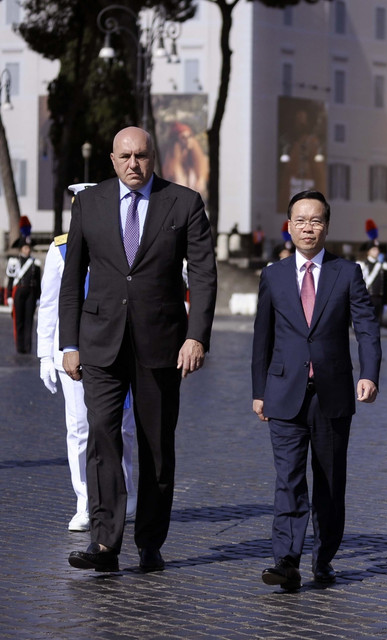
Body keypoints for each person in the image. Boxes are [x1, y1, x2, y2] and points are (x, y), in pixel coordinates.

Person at [61, 126, 217, 573]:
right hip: (99, 344)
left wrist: (197, 335)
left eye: (142, 156)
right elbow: (73, 278)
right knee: (103, 438)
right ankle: (105, 543)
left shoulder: (184, 203)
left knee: (155, 446)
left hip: (162, 344)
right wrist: (69, 344)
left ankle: (150, 541)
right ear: (112, 160)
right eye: (125, 156)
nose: (134, 164)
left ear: (155, 158)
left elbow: (204, 275)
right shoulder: (88, 203)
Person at [252, 190, 381, 591]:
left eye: (316, 220)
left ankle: (323, 556)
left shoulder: (347, 273)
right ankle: (286, 560)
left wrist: (370, 373)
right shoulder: (273, 275)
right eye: (300, 220)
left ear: (326, 226)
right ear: (288, 226)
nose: (308, 227)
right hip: (284, 393)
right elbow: (263, 339)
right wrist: (259, 391)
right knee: (287, 479)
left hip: (333, 395)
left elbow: (366, 328)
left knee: (328, 481)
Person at [36, 209, 138, 533]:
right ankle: (85, 502)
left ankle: (128, 494)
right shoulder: (61, 247)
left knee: (124, 428)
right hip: (74, 352)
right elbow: (50, 302)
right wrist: (44, 355)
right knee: (80, 429)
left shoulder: (127, 240)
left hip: (119, 350)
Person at [7, 240, 42, 354]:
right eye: (25, 248)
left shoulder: (35, 263)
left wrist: (38, 297)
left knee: (29, 320)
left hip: (31, 293)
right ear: (21, 248)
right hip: (19, 292)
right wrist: (9, 296)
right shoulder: (14, 262)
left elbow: (38, 281)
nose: (27, 250)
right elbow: (11, 280)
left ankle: (27, 346)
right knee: (19, 320)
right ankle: (20, 346)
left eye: (28, 248)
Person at [357, 239, 387, 323]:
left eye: (378, 249)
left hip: (379, 299)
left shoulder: (382, 266)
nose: (377, 252)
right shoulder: (363, 265)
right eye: (374, 249)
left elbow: (385, 285)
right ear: (368, 251)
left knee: (377, 323)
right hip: (367, 297)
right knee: (367, 323)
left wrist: (385, 301)